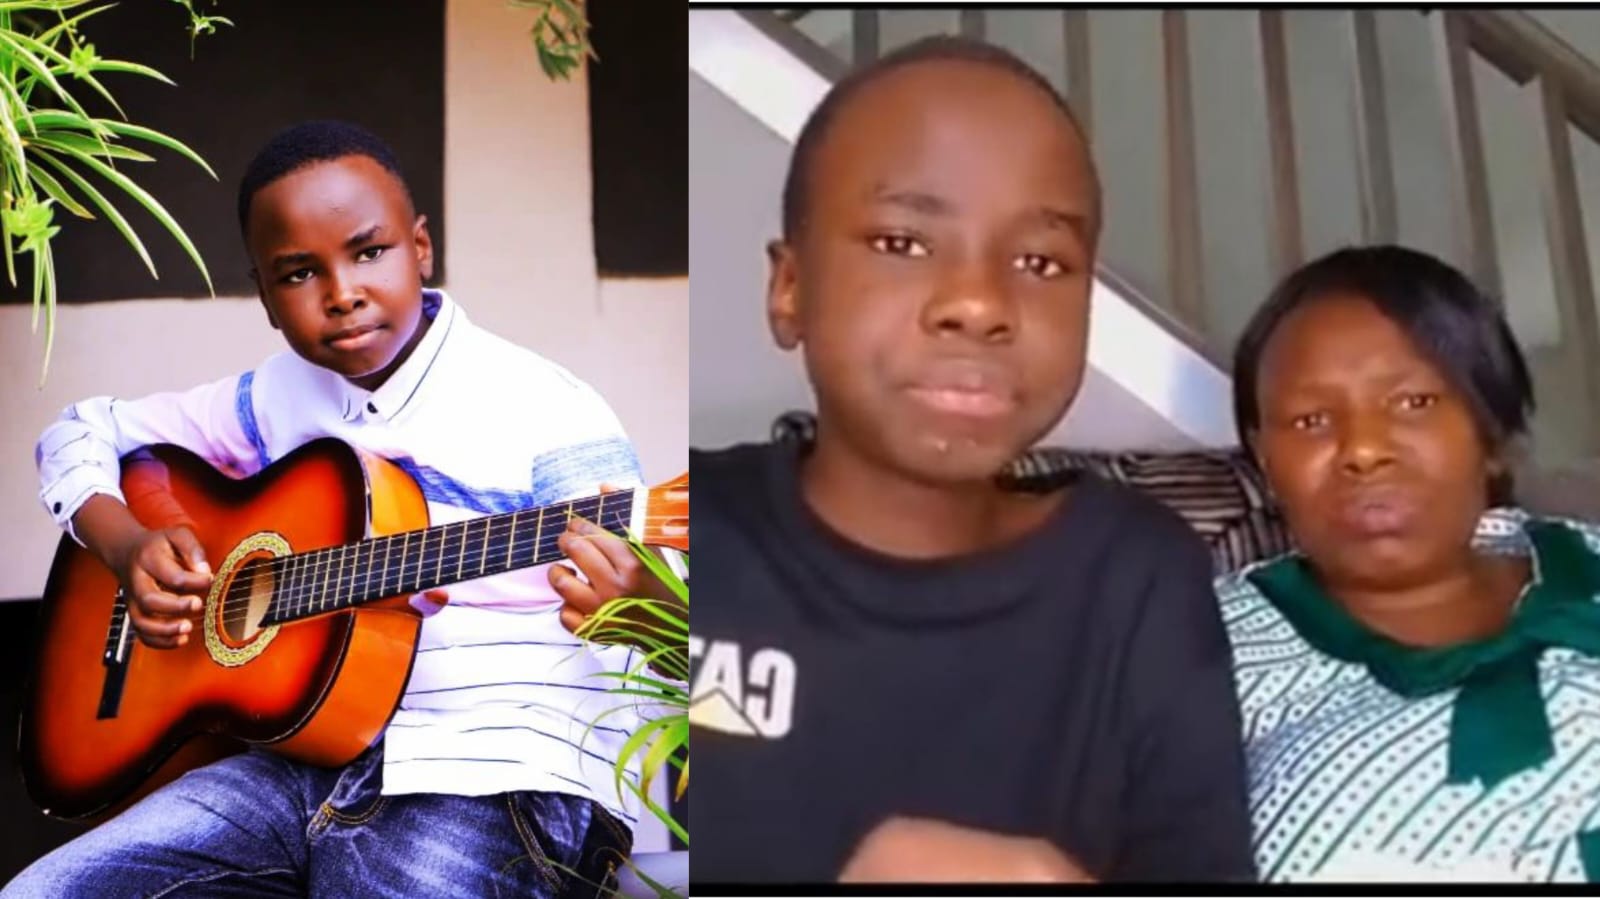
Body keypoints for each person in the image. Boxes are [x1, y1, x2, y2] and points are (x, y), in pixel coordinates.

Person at [7, 120, 672, 897]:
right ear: (263, 295)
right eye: (297, 273)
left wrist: (647, 604)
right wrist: (125, 545)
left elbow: (659, 624)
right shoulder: (271, 399)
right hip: (300, 763)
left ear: (420, 248)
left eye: (369, 251)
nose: (342, 292)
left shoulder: (547, 409)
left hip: (496, 769)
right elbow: (82, 430)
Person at [690, 36, 1255, 884]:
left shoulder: (1137, 578)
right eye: (903, 242)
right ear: (790, 288)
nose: (981, 303)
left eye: (1040, 261)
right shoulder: (672, 533)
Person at [1221, 244, 1600, 882]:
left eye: (1413, 402)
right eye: (1311, 419)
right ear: (1265, 460)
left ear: (1491, 430)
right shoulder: (1198, 643)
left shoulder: (1585, 557)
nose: (1364, 450)